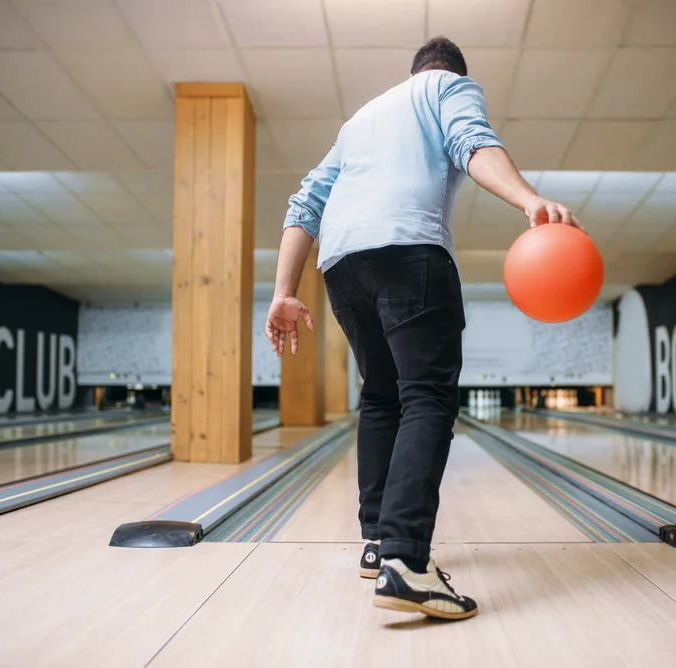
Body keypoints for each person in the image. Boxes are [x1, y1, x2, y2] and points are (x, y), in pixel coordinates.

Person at [265, 37, 583, 621]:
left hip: (342, 267)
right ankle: (407, 561)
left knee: (381, 396)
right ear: (449, 75)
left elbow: (303, 204)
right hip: (409, 250)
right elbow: (473, 144)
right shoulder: (448, 87)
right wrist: (528, 199)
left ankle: (376, 543)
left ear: (409, 72)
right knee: (428, 397)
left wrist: (283, 291)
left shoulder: (358, 121)